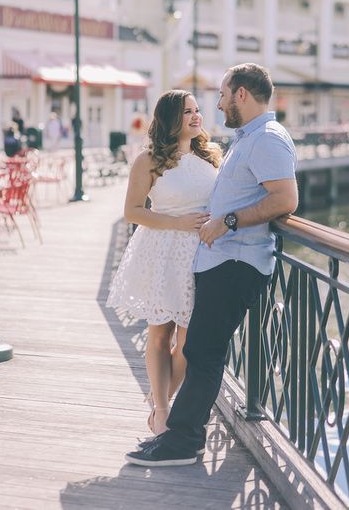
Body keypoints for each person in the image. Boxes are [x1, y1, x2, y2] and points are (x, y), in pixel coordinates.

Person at [125, 62, 298, 467]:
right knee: (201, 347)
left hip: (236, 259)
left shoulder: (267, 139)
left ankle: (182, 441)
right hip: (216, 258)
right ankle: (178, 433)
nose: (215, 105)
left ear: (241, 94)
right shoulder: (248, 138)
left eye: (221, 95)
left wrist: (229, 221)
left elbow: (285, 200)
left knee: (200, 349)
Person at [107, 90, 221, 435]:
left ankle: (160, 397)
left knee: (189, 341)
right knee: (160, 334)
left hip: (202, 253)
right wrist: (176, 222)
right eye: (188, 112)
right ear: (171, 118)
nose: (196, 116)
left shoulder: (213, 156)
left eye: (198, 110)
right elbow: (132, 211)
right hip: (162, 251)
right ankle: (161, 411)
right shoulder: (149, 160)